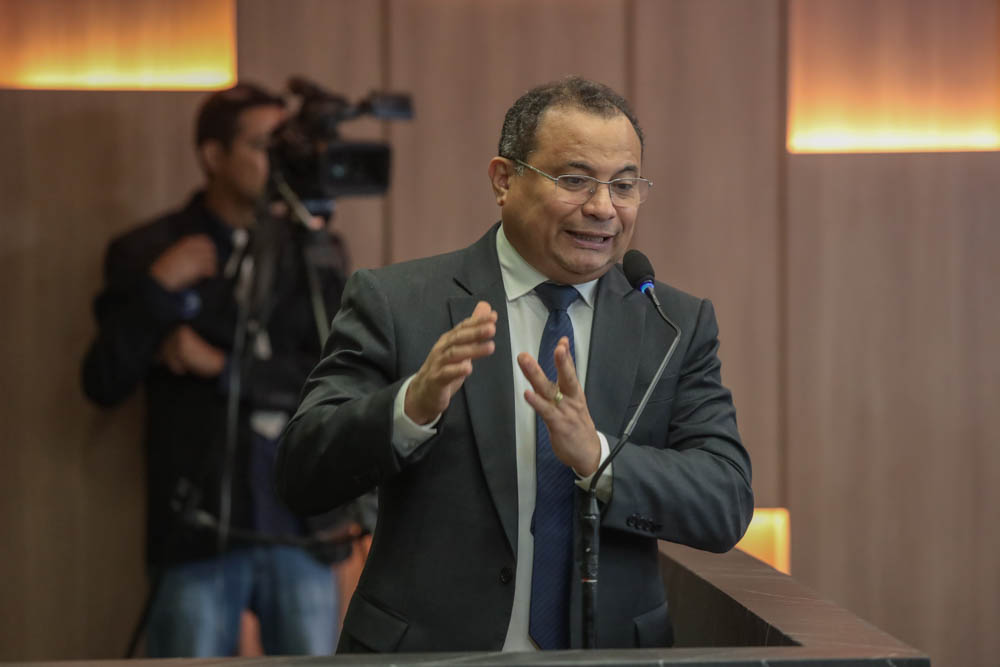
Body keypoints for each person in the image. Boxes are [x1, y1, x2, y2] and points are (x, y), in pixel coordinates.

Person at [276, 76, 754, 653]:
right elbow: (302, 473)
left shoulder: (672, 323)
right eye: (575, 180)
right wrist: (407, 410)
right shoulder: (399, 302)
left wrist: (598, 458)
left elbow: (725, 503)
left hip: (609, 657)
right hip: (428, 656)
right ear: (504, 180)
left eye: (624, 185)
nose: (603, 208)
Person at [82, 83, 351, 657]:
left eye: (284, 146)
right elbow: (102, 381)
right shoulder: (149, 251)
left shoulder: (313, 251)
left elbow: (334, 379)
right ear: (213, 155)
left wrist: (222, 367)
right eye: (261, 146)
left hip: (299, 528)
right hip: (197, 530)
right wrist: (158, 290)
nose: (277, 160)